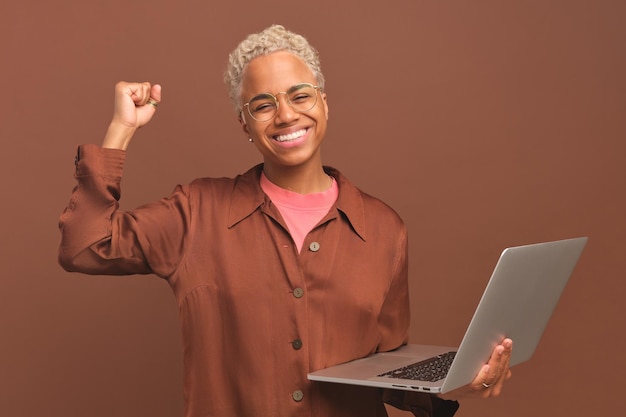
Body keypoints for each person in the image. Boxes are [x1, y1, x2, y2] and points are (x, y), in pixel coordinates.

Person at [58, 24, 511, 417]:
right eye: (263, 104)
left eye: (300, 95)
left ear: (324, 103)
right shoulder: (195, 212)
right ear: (245, 124)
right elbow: (84, 246)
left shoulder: (384, 228)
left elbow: (384, 365)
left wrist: (455, 381)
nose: (287, 115)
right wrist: (121, 129)